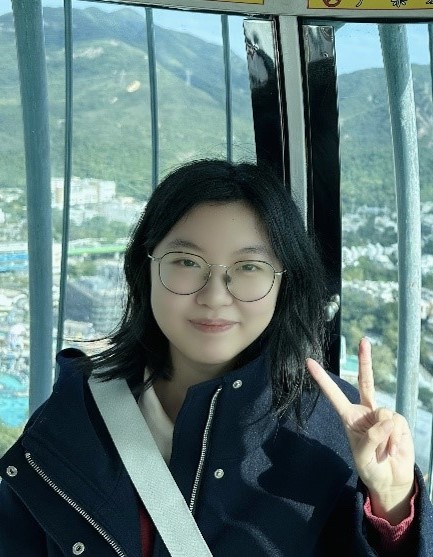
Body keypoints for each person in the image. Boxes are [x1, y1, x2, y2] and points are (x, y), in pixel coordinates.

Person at [0, 159, 432, 557]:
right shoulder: (77, 409)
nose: (214, 296)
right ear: (145, 268)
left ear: (284, 283)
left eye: (248, 268)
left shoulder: (335, 429)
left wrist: (393, 503)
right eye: (187, 262)